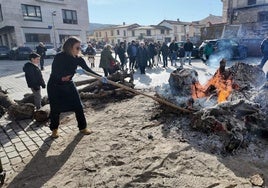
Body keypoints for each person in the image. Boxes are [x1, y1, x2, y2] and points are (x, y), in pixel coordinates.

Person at [47, 36, 106, 138]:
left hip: (68, 84)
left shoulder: (78, 59)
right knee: (55, 108)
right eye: (77, 48)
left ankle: (83, 128)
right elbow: (55, 72)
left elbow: (88, 70)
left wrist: (100, 77)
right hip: (55, 85)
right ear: (70, 47)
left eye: (80, 48)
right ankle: (54, 129)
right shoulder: (59, 57)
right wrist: (62, 77)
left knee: (78, 106)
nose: (79, 50)